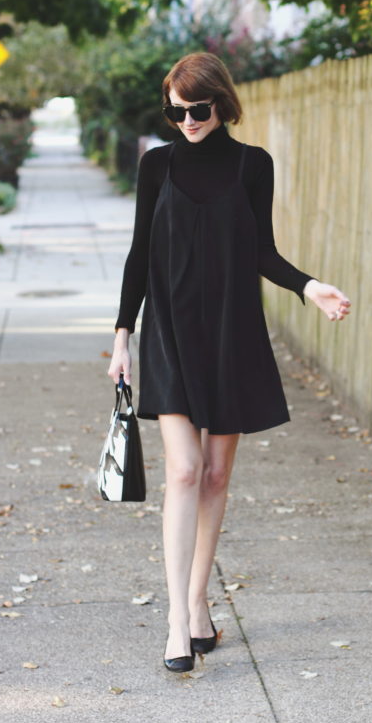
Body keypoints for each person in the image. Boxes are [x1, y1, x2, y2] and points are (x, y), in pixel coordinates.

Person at [108, 52, 351, 673]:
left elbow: (262, 251)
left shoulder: (252, 165)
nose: (186, 119)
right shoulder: (155, 167)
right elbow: (140, 255)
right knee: (184, 472)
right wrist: (121, 336)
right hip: (170, 334)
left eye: (197, 108)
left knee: (216, 476)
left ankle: (196, 604)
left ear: (220, 102)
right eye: (175, 109)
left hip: (232, 334)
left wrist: (309, 286)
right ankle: (173, 620)